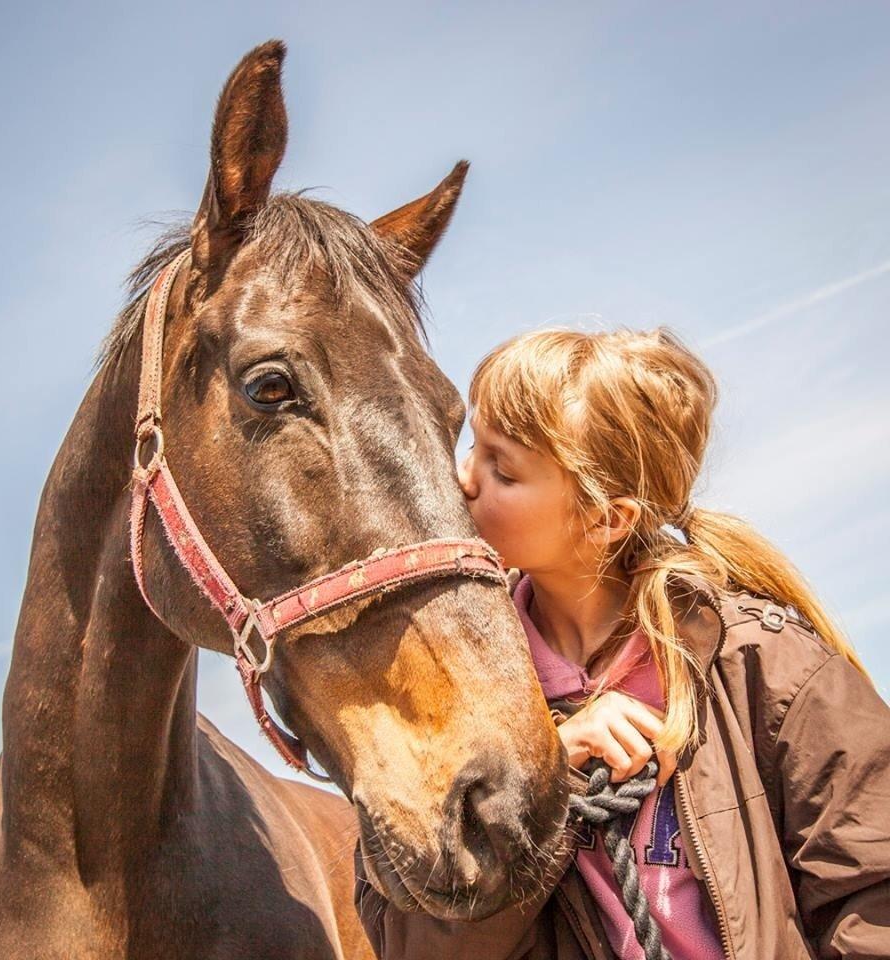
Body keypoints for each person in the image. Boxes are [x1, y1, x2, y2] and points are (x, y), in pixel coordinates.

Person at [354, 327, 890, 959]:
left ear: (608, 519)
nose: (463, 478)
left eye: (503, 469)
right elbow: (410, 945)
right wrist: (541, 779)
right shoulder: (447, 698)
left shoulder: (768, 666)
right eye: (473, 446)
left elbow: (873, 895)